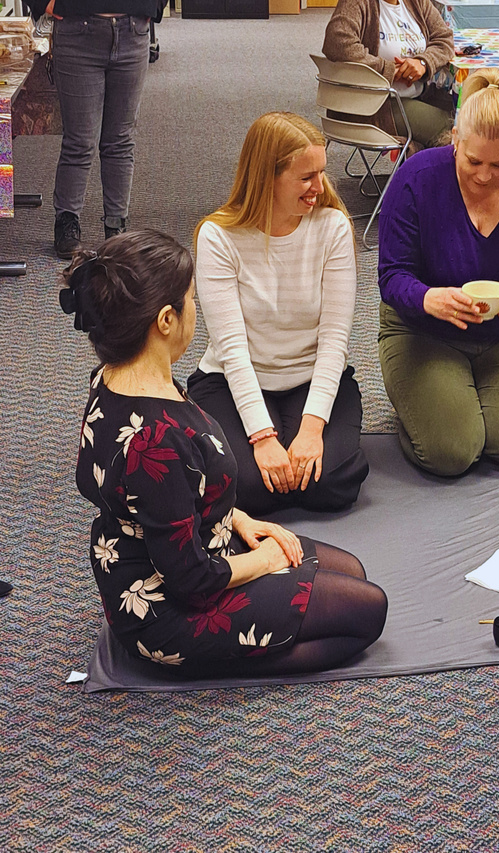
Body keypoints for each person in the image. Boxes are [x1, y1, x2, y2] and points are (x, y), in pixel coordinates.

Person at [62, 231, 386, 678]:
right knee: (368, 611)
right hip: (169, 607)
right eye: (191, 300)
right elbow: (191, 581)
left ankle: (252, 637)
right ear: (166, 321)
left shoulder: (117, 377)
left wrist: (238, 518)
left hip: (178, 545)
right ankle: (232, 658)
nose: (197, 310)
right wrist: (264, 562)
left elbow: (171, 496)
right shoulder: (157, 438)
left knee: (353, 571)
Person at [377, 68, 499, 477]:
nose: (485, 175)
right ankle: (421, 406)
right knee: (449, 454)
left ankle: (462, 398)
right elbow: (392, 276)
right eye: (473, 161)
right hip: (424, 329)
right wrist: (427, 298)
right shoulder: (415, 180)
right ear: (455, 138)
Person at [188, 113, 369, 517]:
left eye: (322, 173)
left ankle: (295, 445)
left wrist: (311, 430)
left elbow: (335, 339)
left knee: (330, 483)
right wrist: (262, 437)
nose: (319, 188)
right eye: (306, 177)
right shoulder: (217, 237)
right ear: (267, 177)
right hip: (233, 378)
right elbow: (231, 349)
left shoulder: (333, 226)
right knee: (250, 489)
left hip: (311, 375)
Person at [0, 0, 178, 259]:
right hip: (77, 36)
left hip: (133, 34)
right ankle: (67, 221)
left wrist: (153, 4)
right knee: (80, 140)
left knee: (120, 139)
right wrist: (43, 0)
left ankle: (117, 224)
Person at [322, 0, 455, 149]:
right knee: (455, 128)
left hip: (421, 94)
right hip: (375, 104)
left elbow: (444, 38)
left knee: (473, 113)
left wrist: (422, 63)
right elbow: (338, 42)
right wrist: (390, 70)